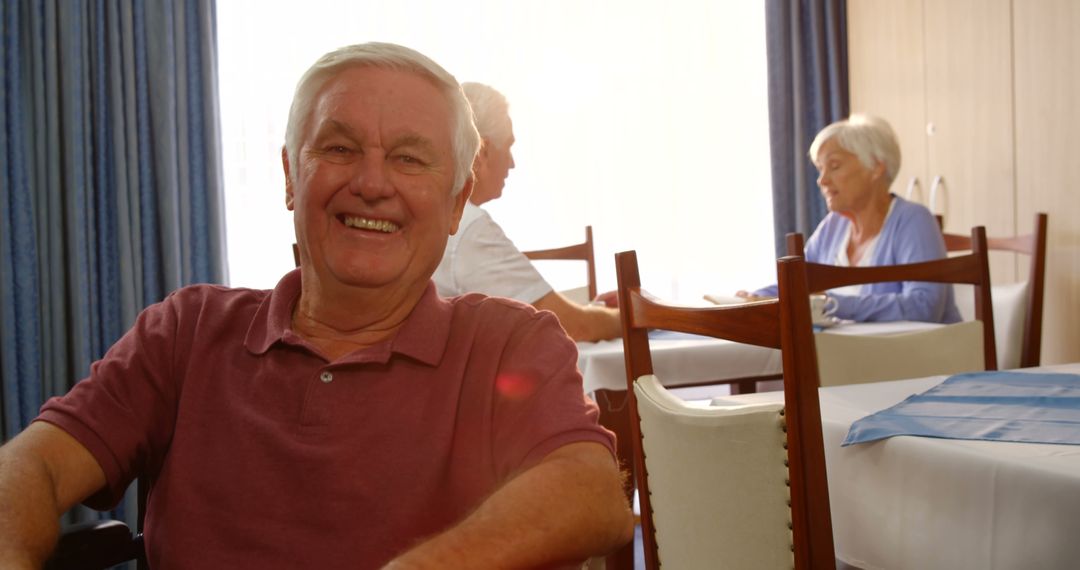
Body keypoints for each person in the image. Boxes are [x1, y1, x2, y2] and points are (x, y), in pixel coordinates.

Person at [0, 43, 633, 569]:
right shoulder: (186, 331)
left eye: (410, 158)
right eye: (338, 148)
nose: (372, 182)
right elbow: (34, 467)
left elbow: (593, 493)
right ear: (288, 175)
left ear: (457, 201)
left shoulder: (508, 343)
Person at [432, 82, 621, 342]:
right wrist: (634, 315)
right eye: (508, 146)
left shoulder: (436, 215)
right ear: (482, 152)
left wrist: (594, 310)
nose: (512, 163)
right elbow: (572, 327)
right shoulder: (470, 227)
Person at [739, 114, 961, 323]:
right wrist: (753, 299)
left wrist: (829, 303)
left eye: (834, 166)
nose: (822, 180)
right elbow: (795, 286)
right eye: (820, 169)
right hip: (849, 356)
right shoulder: (832, 227)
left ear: (875, 168)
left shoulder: (914, 220)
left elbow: (924, 306)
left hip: (919, 357)